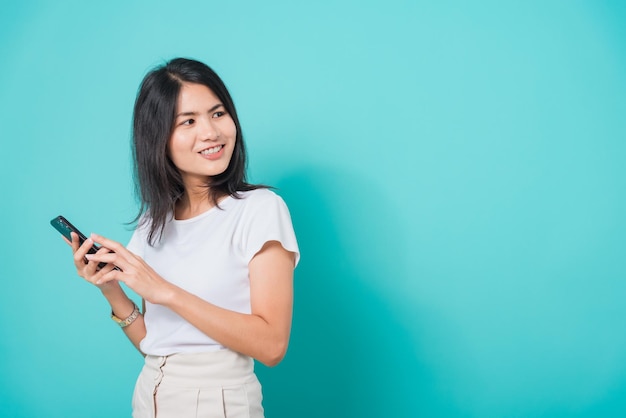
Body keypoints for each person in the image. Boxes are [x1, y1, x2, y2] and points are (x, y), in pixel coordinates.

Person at [65, 57, 300, 418]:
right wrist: (109, 289)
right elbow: (155, 345)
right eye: (188, 121)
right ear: (158, 138)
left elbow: (272, 346)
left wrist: (166, 292)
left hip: (218, 401)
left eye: (218, 113)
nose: (211, 132)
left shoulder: (260, 209)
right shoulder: (152, 224)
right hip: (150, 395)